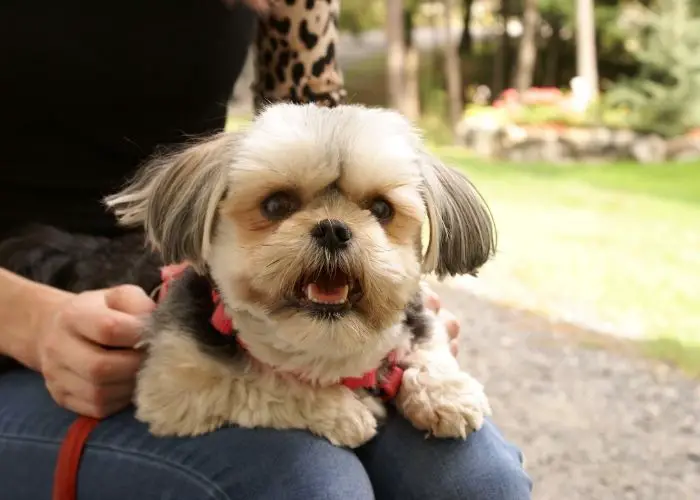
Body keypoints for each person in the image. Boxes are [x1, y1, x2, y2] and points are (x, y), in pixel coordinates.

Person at [0, 1, 532, 498]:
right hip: (29, 318)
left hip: (199, 272)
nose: (335, 227)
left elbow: (318, 135)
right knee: (311, 484)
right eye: (280, 204)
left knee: (477, 481)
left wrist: (390, 299)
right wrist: (31, 323)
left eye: (380, 210)